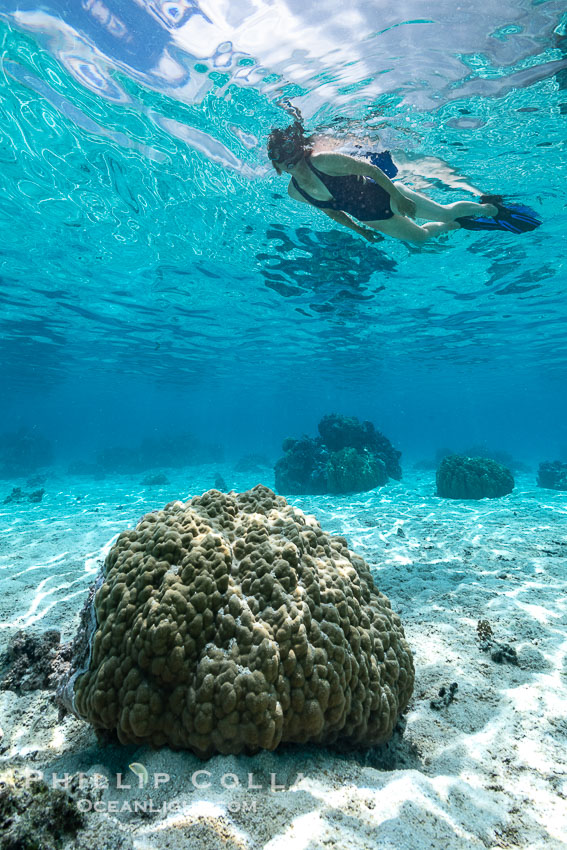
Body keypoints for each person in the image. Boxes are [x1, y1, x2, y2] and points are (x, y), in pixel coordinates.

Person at [267, 122, 540, 245]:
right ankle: (459, 225)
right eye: (286, 162)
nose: (295, 165)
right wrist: (361, 232)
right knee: (420, 238)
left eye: (296, 157)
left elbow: (369, 168)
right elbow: (331, 211)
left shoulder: (323, 160)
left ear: (301, 152)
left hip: (387, 195)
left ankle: (490, 210)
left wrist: (398, 198)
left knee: (443, 211)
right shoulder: (295, 192)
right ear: (277, 166)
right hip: (373, 219)